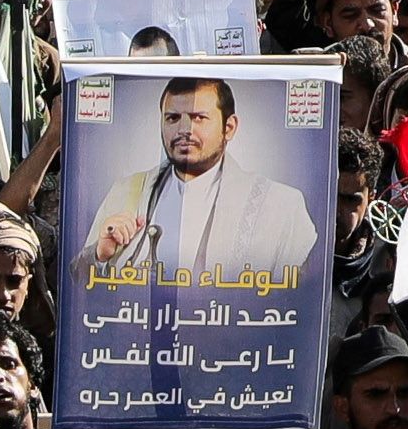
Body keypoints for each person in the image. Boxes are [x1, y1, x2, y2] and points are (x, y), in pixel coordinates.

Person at [79, 78, 325, 287]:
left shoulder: (281, 205)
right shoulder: (126, 191)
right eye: (173, 118)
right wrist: (99, 255)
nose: (184, 129)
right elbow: (78, 289)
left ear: (229, 128)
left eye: (198, 118)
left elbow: (297, 300)